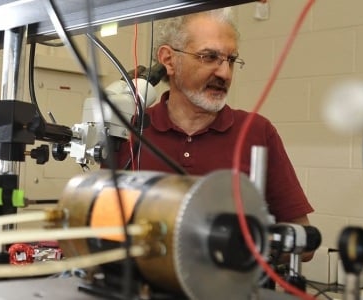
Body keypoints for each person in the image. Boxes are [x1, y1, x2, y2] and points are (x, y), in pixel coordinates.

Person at [114, 9, 314, 260]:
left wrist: (240, 250)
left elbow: (304, 241)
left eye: (230, 60)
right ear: (168, 59)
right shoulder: (129, 131)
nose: (225, 74)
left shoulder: (257, 131)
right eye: (209, 57)